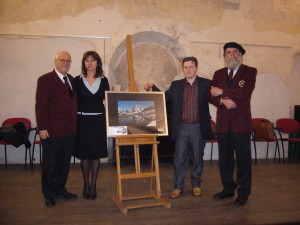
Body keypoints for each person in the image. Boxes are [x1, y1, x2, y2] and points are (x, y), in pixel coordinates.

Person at [145, 56, 212, 199]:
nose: (188, 70)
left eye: (191, 67)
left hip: (199, 127)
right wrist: (153, 87)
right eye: (185, 67)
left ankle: (196, 185)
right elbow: (164, 97)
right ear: (183, 69)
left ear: (196, 68)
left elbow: (216, 97)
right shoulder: (176, 85)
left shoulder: (206, 84)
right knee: (179, 158)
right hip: (182, 127)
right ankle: (178, 187)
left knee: (198, 157)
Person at [209, 42, 257, 206]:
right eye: (228, 52)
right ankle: (228, 188)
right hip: (223, 125)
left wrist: (221, 92)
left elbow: (244, 93)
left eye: (235, 52)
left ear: (241, 54)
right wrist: (222, 100)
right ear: (224, 57)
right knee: (225, 160)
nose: (231, 55)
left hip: (241, 125)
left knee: (243, 161)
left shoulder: (250, 72)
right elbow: (210, 95)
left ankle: (243, 193)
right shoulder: (218, 73)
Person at [35, 51, 78, 208]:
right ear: (55, 62)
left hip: (69, 131)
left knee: (64, 164)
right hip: (52, 131)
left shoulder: (72, 80)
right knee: (50, 164)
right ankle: (48, 194)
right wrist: (42, 128)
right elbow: (41, 106)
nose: (65, 63)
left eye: (68, 60)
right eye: (62, 60)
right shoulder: (45, 80)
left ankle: (60, 189)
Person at [73, 51, 110, 200]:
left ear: (97, 63)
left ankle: (93, 184)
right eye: (87, 60)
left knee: (95, 155)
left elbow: (108, 101)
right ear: (84, 63)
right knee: (84, 155)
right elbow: (73, 101)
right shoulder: (77, 80)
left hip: (98, 121)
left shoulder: (104, 80)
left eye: (93, 60)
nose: (90, 63)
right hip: (82, 122)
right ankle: (85, 184)